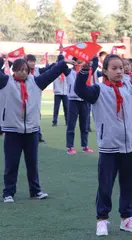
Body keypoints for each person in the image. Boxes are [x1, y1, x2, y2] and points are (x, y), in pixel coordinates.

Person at [74, 54, 132, 236]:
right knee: (105, 185)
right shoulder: (98, 90)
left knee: (129, 184)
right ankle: (102, 220)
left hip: (129, 147)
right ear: (105, 71)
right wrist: (83, 71)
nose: (119, 71)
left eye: (121, 67)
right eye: (114, 68)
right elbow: (80, 90)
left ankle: (127, 219)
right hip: (109, 147)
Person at [0, 57, 73, 203]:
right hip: (12, 130)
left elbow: (52, 73)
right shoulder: (5, 82)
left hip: (32, 130)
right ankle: (8, 193)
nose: (23, 72)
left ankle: (35, 191)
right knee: (11, 163)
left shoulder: (36, 82)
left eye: (26, 70)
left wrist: (64, 62)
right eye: (20, 70)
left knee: (32, 163)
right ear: (13, 70)